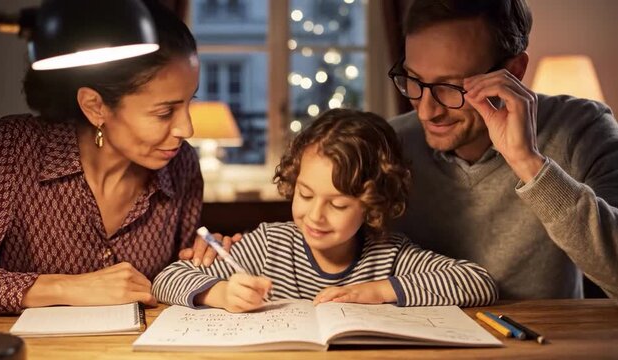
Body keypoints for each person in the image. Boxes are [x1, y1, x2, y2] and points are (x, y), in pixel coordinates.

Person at [0, 1, 203, 317]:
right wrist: (66, 287)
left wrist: (208, 260)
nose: (186, 128)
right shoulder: (13, 149)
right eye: (164, 112)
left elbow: (182, 279)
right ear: (95, 106)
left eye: (189, 103)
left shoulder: (181, 165)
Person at [152, 109, 498, 313]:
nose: (315, 216)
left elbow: (478, 282)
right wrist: (220, 293)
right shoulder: (271, 244)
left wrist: (378, 292)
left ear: (372, 204)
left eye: (337, 204)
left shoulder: (389, 255)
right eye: (305, 194)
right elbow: (167, 279)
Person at [388, 0, 618, 300]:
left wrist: (528, 163)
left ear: (514, 70)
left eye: (452, 86)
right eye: (414, 80)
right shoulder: (390, 143)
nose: (426, 112)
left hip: (544, 342)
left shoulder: (581, 128)